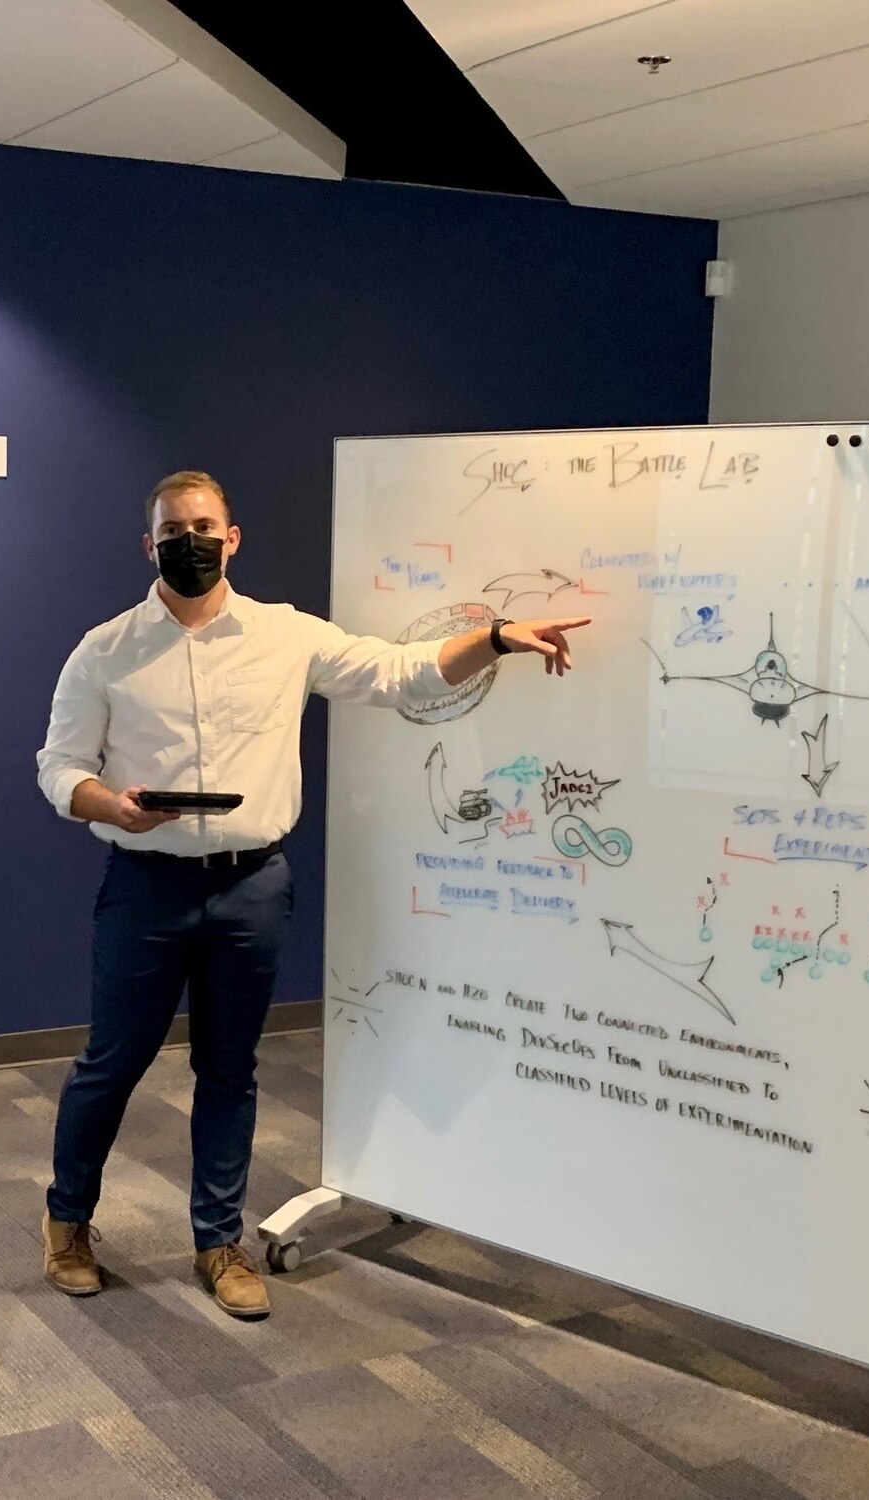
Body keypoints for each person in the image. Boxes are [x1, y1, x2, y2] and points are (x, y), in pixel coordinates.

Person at [35, 470, 587, 1320]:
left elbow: (402, 674)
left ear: (233, 537)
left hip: (254, 887)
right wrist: (108, 804)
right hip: (146, 886)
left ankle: (219, 1242)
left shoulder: (287, 637)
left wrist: (500, 637)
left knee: (230, 1072)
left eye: (204, 525)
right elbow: (57, 768)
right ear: (149, 546)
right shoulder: (104, 650)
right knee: (112, 1065)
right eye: (173, 530)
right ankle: (68, 1222)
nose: (190, 541)